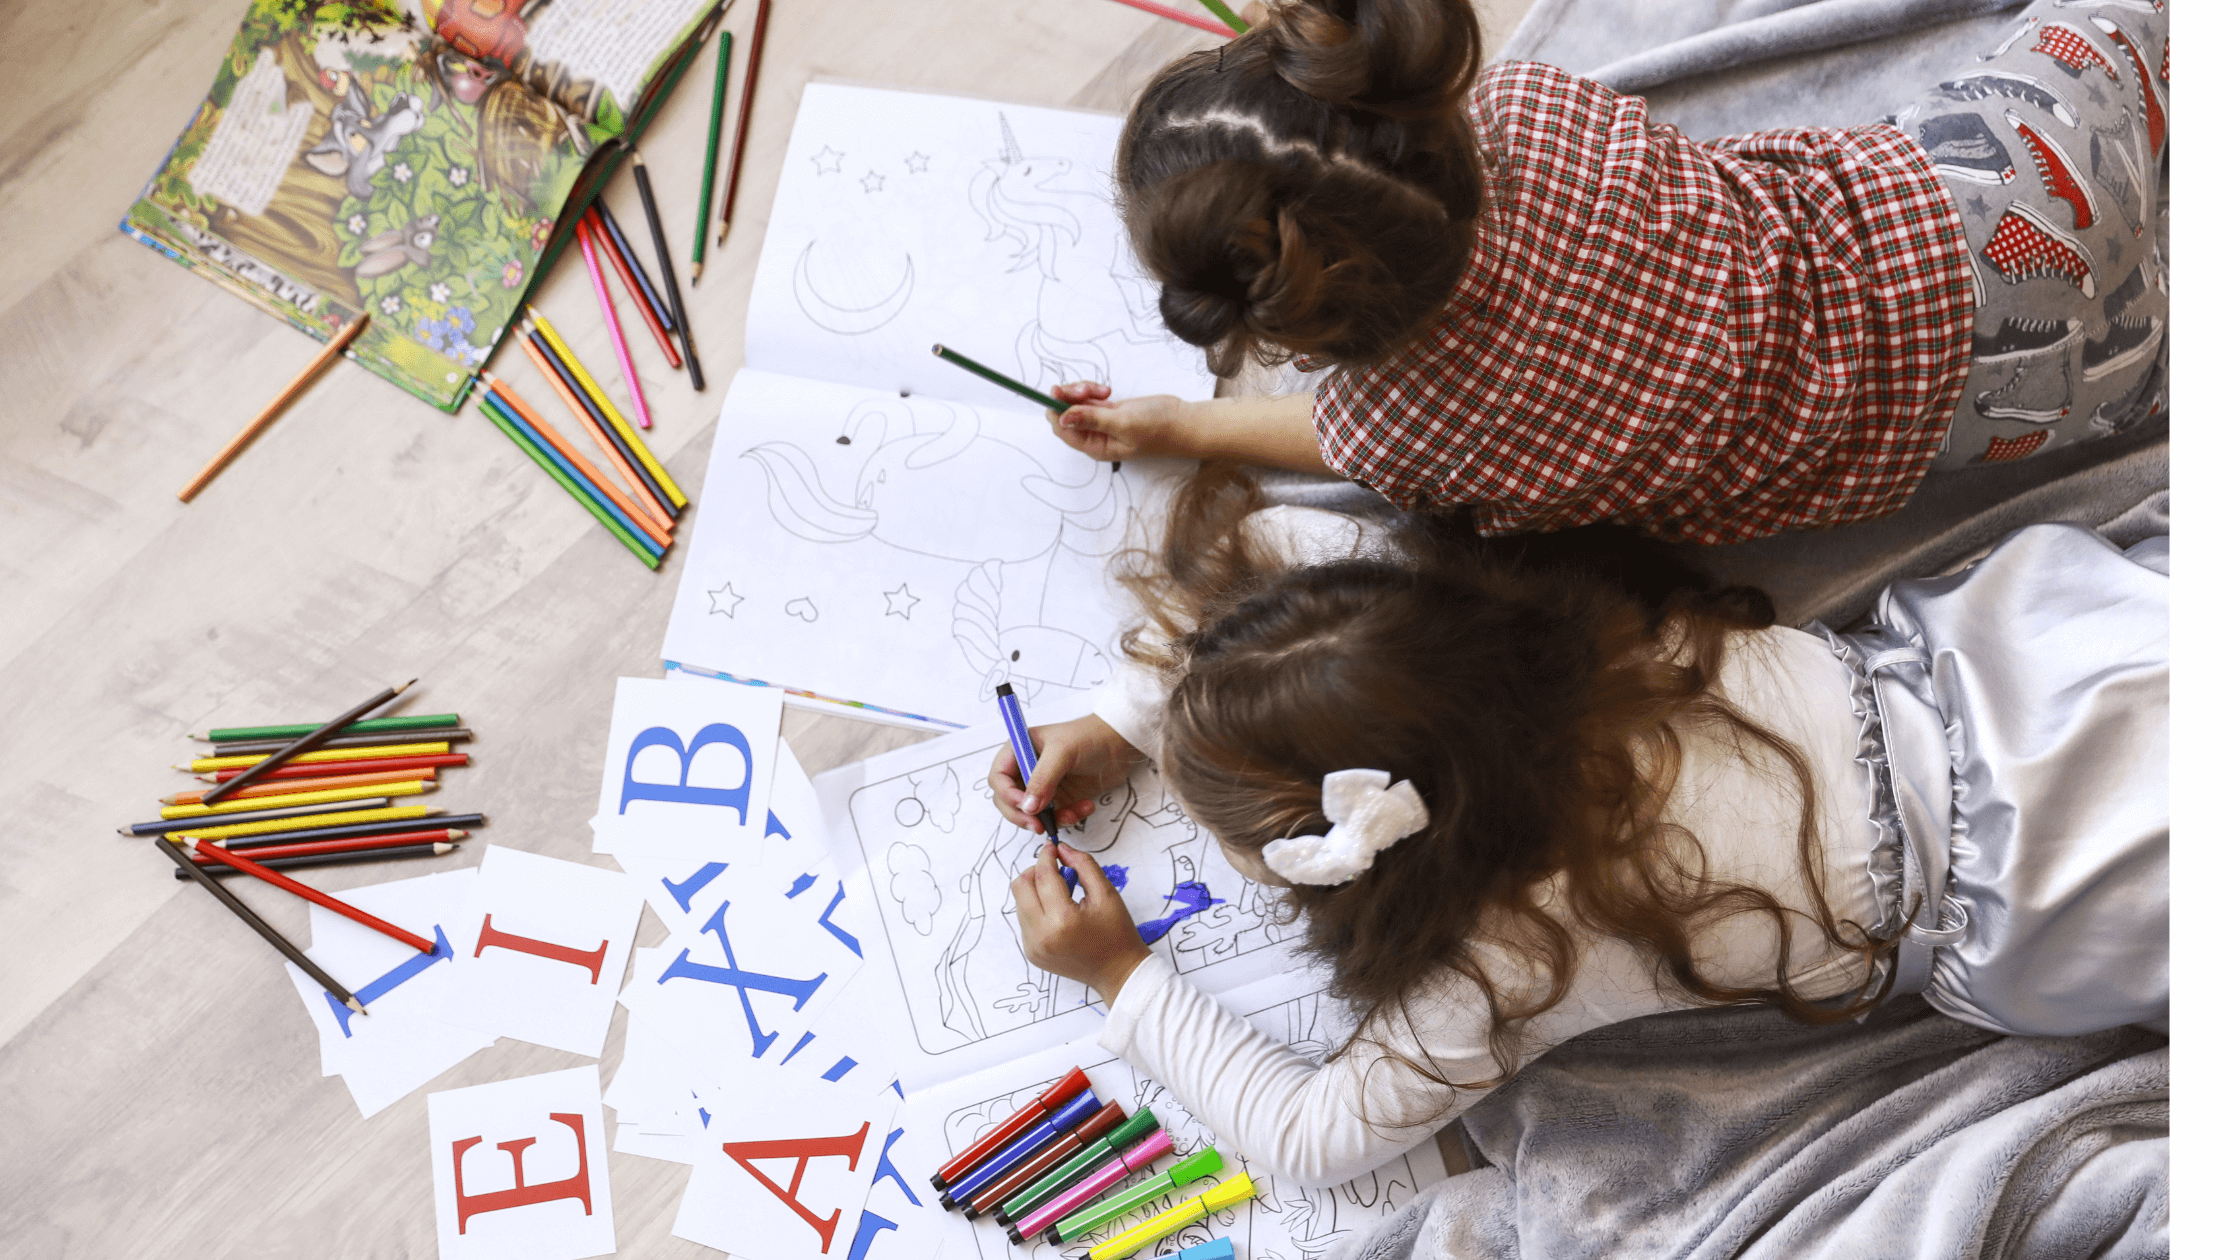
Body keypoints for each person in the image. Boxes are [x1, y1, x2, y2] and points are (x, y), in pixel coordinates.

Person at [988, 466, 2166, 1186]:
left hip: (2066, 884)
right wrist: (1132, 716)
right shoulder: (1507, 623)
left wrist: (1122, 976)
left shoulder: (1509, 963)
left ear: (1333, 849)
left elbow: (1308, 1136)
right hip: (2046, 664)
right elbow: (1287, 549)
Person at [1044, 0, 2168, 544]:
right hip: (1989, 185)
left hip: (1996, 404)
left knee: (2145, 364)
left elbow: (1325, 437)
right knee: (2117, 33)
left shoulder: (1402, 431)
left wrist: (1178, 426)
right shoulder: (1534, 110)